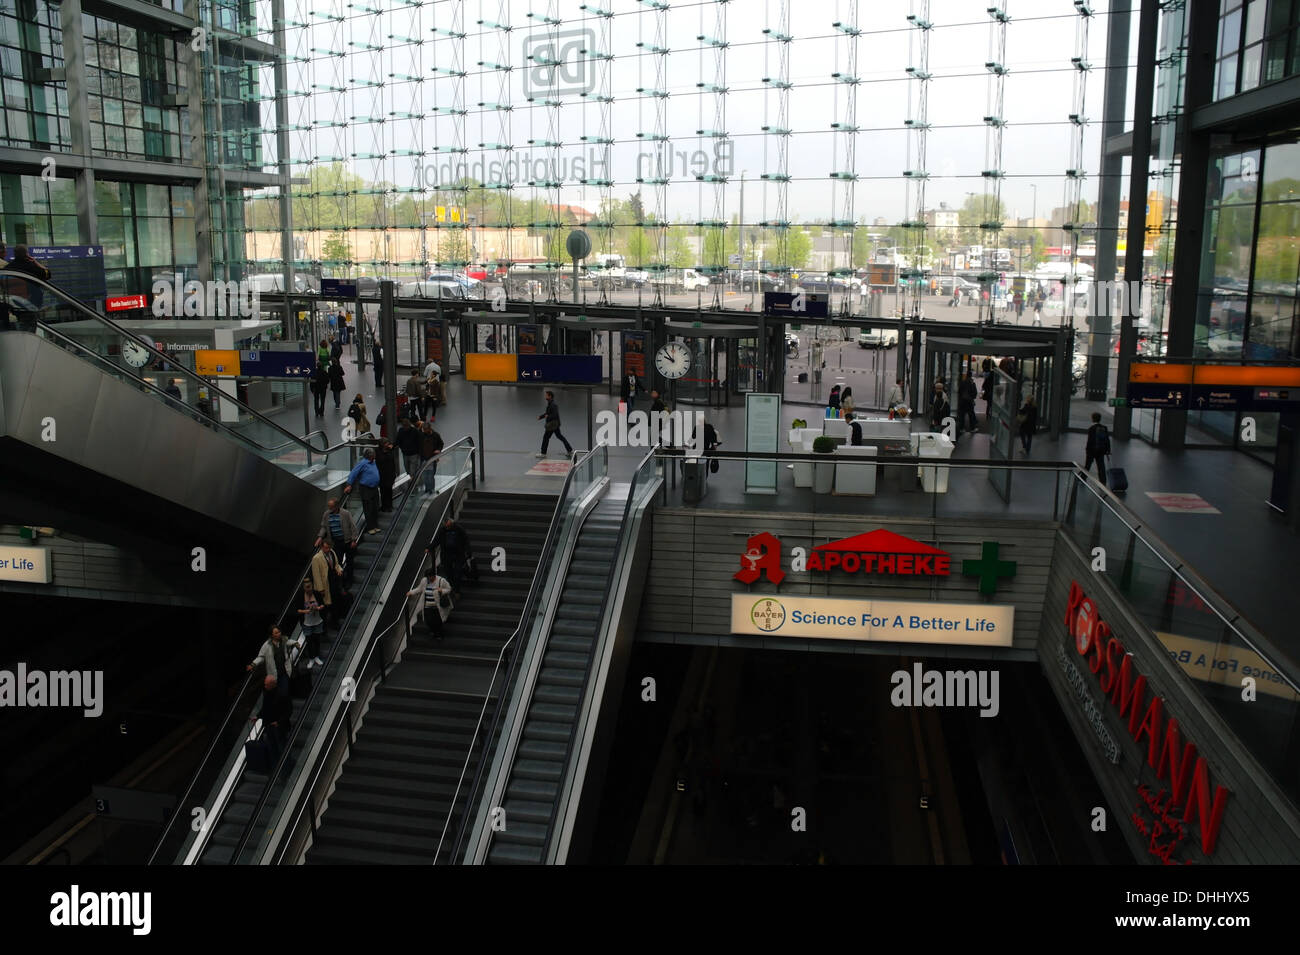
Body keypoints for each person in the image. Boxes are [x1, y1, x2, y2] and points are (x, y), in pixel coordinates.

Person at [316, 497, 359, 590]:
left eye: (331, 507)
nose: (329, 509)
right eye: (329, 507)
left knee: (349, 562)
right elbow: (323, 527)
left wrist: (354, 540)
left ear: (336, 506)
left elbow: (352, 526)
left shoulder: (345, 513)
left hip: (347, 542)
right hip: (336, 542)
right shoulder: (326, 514)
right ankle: (340, 582)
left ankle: (349, 581)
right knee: (337, 563)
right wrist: (320, 537)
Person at [406, 566, 453, 640]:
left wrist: (441, 591)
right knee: (428, 620)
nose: (428, 579)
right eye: (427, 577)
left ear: (433, 576)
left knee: (438, 621)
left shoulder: (441, 580)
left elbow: (449, 589)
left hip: (437, 605)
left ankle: (438, 634)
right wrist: (411, 592)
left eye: (429, 577)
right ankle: (434, 632)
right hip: (427, 605)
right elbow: (419, 588)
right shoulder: (424, 581)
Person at [432, 517, 474, 596]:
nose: (448, 527)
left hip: (458, 554)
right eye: (446, 526)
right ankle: (452, 589)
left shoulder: (458, 529)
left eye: (449, 526)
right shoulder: (442, 530)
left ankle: (457, 590)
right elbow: (437, 540)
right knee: (449, 573)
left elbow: (466, 540)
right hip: (446, 555)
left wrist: (468, 552)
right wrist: (429, 547)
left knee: (457, 573)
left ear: (452, 523)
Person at [345, 447, 382, 534]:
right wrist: (349, 485)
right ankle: (370, 527)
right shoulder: (362, 463)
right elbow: (353, 474)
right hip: (366, 489)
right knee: (368, 508)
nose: (375, 455)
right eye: (373, 454)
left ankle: (375, 526)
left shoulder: (374, 462)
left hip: (374, 488)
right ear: (369, 455)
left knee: (375, 508)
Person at [247, 625, 292, 697]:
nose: (279, 634)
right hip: (272, 674)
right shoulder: (267, 645)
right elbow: (261, 657)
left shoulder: (284, 641)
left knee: (284, 692)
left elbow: (290, 646)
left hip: (284, 672)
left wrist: (296, 644)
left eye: (279, 632)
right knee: (272, 693)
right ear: (272, 635)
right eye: (276, 633)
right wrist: (253, 664)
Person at [297, 579, 326, 669]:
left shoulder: (316, 594)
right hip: (307, 622)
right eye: (307, 587)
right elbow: (298, 610)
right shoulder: (301, 596)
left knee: (317, 640)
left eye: (310, 587)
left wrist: (318, 608)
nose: (309, 589)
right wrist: (307, 610)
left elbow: (322, 605)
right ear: (304, 588)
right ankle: (311, 658)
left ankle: (317, 656)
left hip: (317, 621)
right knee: (309, 641)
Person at [537, 389, 573, 457]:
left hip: (552, 425)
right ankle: (570, 450)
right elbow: (548, 413)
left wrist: (548, 416)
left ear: (550, 396)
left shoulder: (553, 405)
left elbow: (554, 414)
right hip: (555, 425)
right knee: (559, 436)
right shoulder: (551, 404)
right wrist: (541, 416)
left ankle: (543, 453)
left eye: (546, 395)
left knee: (546, 438)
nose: (545, 396)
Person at [1084, 411, 1110, 482]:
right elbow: (1107, 440)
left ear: (1093, 419)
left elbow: (1090, 441)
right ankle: (1103, 481)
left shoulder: (1091, 428)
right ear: (1100, 419)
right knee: (1101, 467)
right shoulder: (1104, 428)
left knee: (1087, 465)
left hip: (1092, 451)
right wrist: (1108, 450)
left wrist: (1087, 450)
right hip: (1101, 450)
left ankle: (1083, 478)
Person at [418, 419, 443, 493]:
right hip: (423, 458)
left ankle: (431, 489)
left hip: (432, 458)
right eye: (423, 429)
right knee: (425, 475)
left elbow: (441, 443)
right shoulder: (421, 435)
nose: (424, 431)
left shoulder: (435, 435)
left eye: (425, 429)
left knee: (431, 475)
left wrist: (438, 450)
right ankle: (427, 489)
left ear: (429, 428)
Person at [396, 415, 421, 480]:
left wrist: (418, 452)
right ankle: (413, 481)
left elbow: (419, 442)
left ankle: (412, 484)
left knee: (412, 471)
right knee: (407, 469)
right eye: (404, 426)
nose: (405, 428)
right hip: (405, 453)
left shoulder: (415, 431)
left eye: (406, 426)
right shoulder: (401, 430)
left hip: (413, 454)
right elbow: (398, 440)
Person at [376, 438, 398, 512]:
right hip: (382, 475)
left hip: (390, 474)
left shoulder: (390, 451)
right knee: (383, 491)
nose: (387, 444)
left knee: (389, 491)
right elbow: (380, 460)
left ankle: (389, 506)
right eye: (386, 443)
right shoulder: (378, 452)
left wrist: (394, 473)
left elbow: (392, 462)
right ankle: (384, 506)